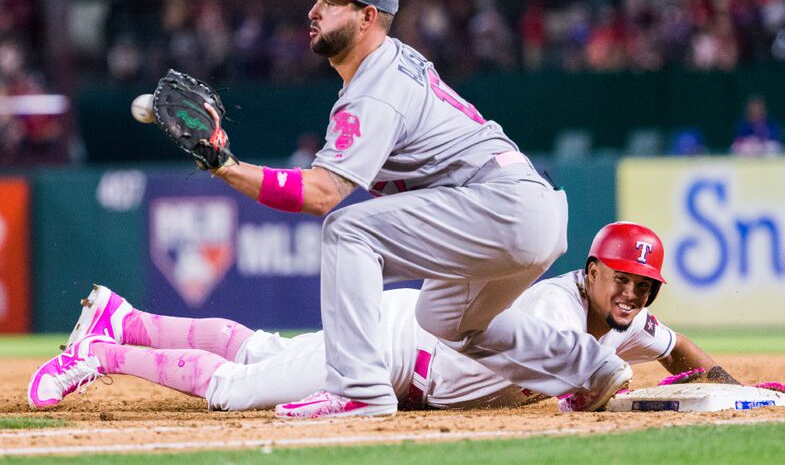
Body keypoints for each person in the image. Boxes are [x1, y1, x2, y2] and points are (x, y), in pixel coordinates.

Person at [144, 0, 630, 419]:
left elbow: (320, 195)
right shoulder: (391, 66)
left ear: (367, 16)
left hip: (501, 205)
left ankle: (360, 389)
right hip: (526, 211)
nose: (312, 11)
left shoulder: (375, 88)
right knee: (448, 319)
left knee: (346, 230)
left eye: (329, 2)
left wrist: (226, 166)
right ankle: (593, 367)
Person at [28, 222, 741, 412]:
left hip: (406, 348)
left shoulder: (621, 316)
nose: (634, 298)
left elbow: (674, 346)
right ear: (590, 270)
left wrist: (723, 379)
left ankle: (126, 318)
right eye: (624, 280)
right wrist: (615, 379)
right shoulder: (553, 311)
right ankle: (101, 351)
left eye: (645, 288)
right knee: (233, 390)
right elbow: (595, 387)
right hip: (395, 350)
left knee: (258, 350)